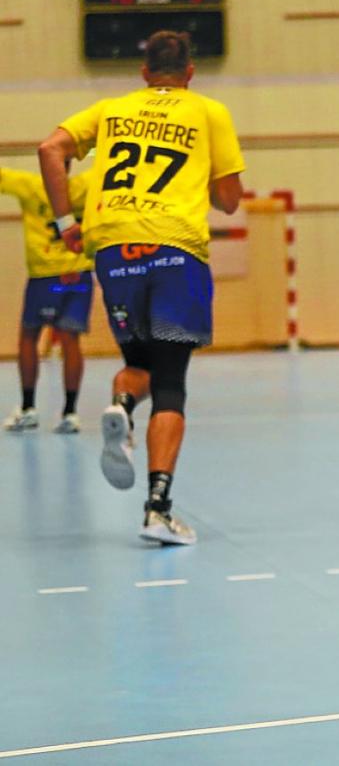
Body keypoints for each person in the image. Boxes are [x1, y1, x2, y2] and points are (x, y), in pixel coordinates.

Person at [38, 31, 245, 545]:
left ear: (144, 72)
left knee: (140, 363)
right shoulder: (208, 112)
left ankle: (122, 407)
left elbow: (50, 149)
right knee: (170, 380)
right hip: (174, 249)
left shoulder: (110, 109)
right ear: (190, 72)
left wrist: (65, 222)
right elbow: (229, 199)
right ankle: (158, 509)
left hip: (113, 249)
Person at [0, 161, 94, 434]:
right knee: (71, 340)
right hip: (78, 276)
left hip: (45, 277)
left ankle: (28, 408)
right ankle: (70, 413)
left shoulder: (31, 187)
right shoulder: (85, 186)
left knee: (29, 336)